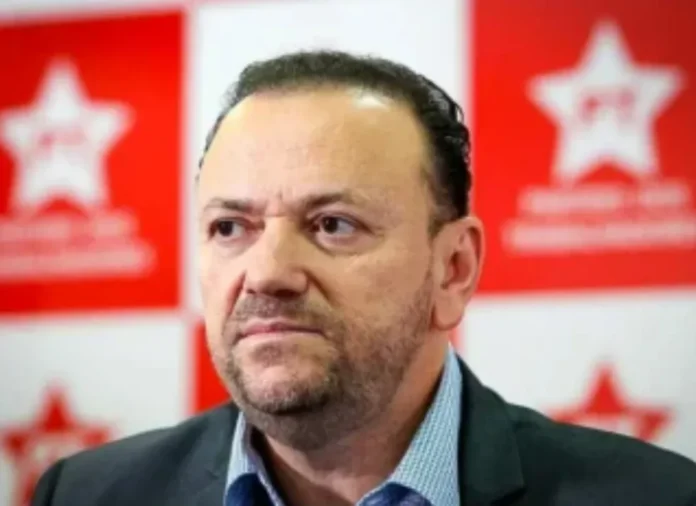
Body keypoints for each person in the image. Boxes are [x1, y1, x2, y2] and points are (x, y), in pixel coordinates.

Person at [32, 50, 696, 506]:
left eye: (333, 225)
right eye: (230, 227)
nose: (268, 273)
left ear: (454, 269)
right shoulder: (87, 495)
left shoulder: (655, 497)